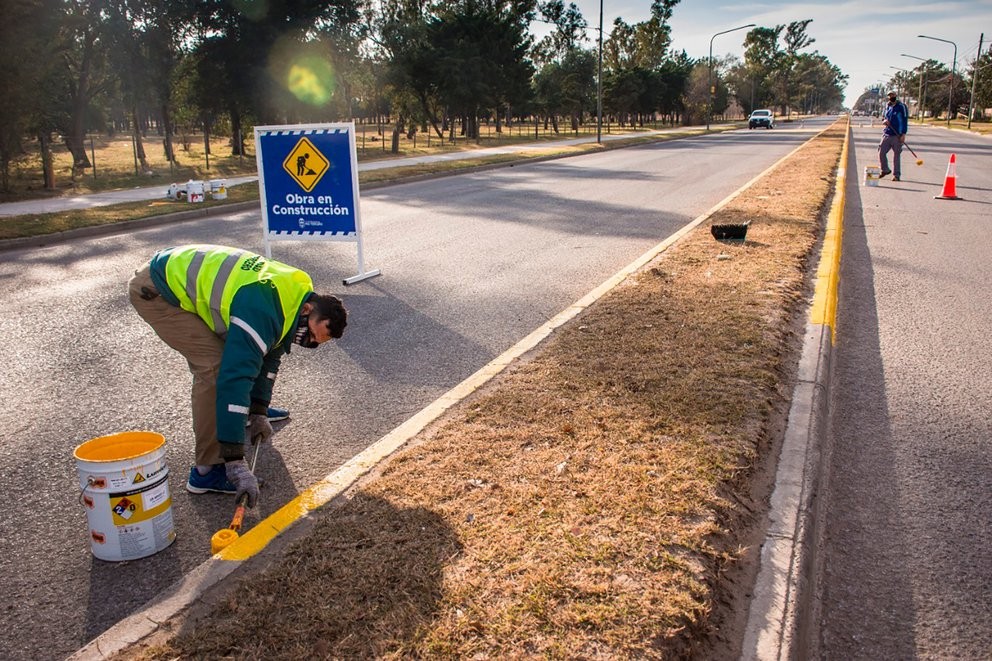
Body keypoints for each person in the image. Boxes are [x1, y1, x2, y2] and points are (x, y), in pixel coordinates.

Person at [128, 245, 347, 507]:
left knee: (238, 360)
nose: (306, 341)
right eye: (310, 334)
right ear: (307, 310)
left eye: (313, 343)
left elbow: (269, 354)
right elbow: (236, 378)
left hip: (175, 274)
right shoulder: (262, 307)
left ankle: (237, 417)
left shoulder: (293, 294)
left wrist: (258, 410)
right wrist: (234, 460)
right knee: (216, 367)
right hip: (157, 291)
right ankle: (207, 470)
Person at [879, 90, 909, 182]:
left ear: (896, 95)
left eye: (893, 95)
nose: (891, 97)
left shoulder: (901, 107)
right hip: (887, 133)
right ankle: (885, 169)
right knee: (881, 152)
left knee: (896, 156)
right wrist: (884, 121)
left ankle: (896, 175)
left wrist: (903, 134)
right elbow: (884, 118)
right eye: (889, 95)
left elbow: (904, 120)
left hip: (897, 135)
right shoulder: (887, 106)